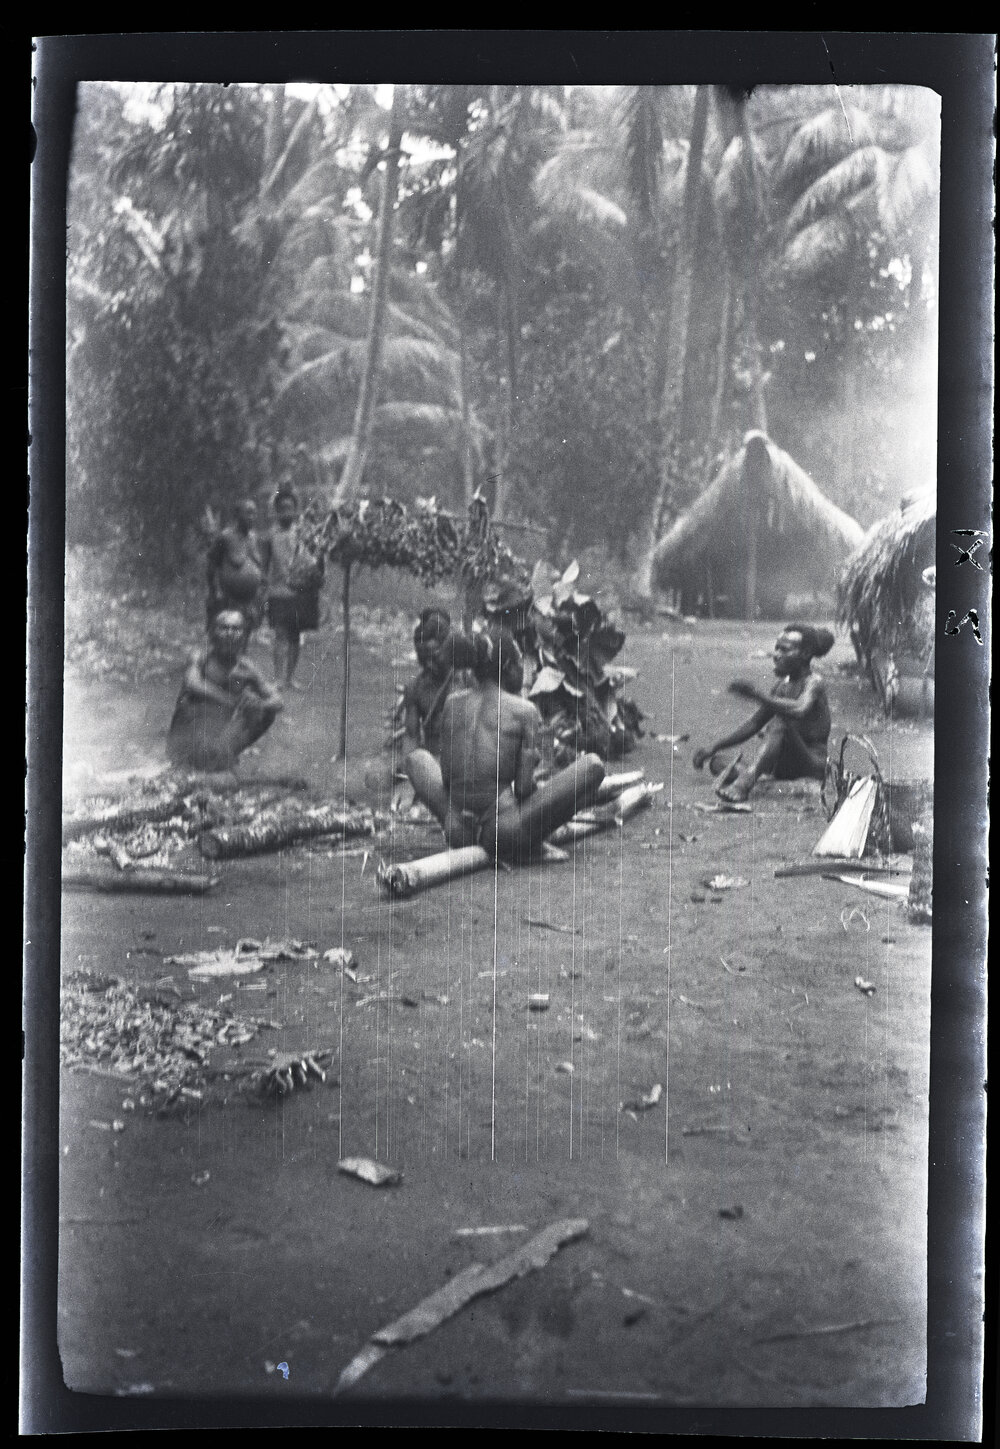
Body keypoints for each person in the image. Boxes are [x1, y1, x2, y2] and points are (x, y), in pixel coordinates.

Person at [406, 627, 605, 864]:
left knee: (417, 759)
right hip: (502, 833)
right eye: (519, 662)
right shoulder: (524, 711)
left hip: (457, 828)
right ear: (508, 666)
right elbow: (523, 789)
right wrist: (535, 781)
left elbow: (448, 779)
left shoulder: (452, 703)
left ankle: (474, 833)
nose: (523, 669)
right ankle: (531, 846)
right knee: (593, 766)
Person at [692, 624, 835, 803]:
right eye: (777, 648)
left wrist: (757, 695)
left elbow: (800, 708)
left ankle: (743, 784)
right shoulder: (782, 686)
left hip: (811, 764)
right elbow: (754, 724)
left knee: (780, 722)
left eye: (784, 650)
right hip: (782, 767)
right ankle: (755, 775)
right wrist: (715, 746)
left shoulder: (814, 682)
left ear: (805, 654)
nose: (776, 655)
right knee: (717, 762)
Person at [167, 609, 283, 772]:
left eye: (236, 629)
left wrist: (259, 705)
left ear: (244, 634)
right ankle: (200, 759)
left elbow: (278, 700)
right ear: (213, 632)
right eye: (224, 628)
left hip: (218, 733)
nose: (230, 633)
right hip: (187, 735)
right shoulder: (200, 656)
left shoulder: (246, 667)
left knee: (264, 712)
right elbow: (192, 683)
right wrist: (232, 701)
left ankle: (223, 755)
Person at [262, 487, 325, 688]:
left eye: (290, 508)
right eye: (282, 509)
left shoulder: (303, 533)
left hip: (300, 592)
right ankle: (278, 677)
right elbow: (264, 565)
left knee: (295, 635)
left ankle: (290, 677)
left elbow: (316, 558)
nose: (286, 513)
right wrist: (263, 590)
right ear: (276, 511)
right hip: (278, 591)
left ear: (296, 510)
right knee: (280, 634)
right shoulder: (270, 536)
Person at [400, 608, 458, 759]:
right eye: (425, 659)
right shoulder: (415, 688)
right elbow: (411, 736)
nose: (430, 664)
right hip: (435, 763)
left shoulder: (467, 680)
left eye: (435, 657)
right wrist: (410, 764)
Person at [206, 498, 268, 631]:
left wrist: (262, 588)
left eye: (254, 513)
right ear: (237, 515)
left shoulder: (253, 538)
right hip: (229, 601)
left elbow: (259, 566)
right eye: (248, 513)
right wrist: (213, 591)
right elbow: (212, 565)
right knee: (228, 635)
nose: (252, 517)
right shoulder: (225, 538)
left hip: (251, 601)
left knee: (248, 633)